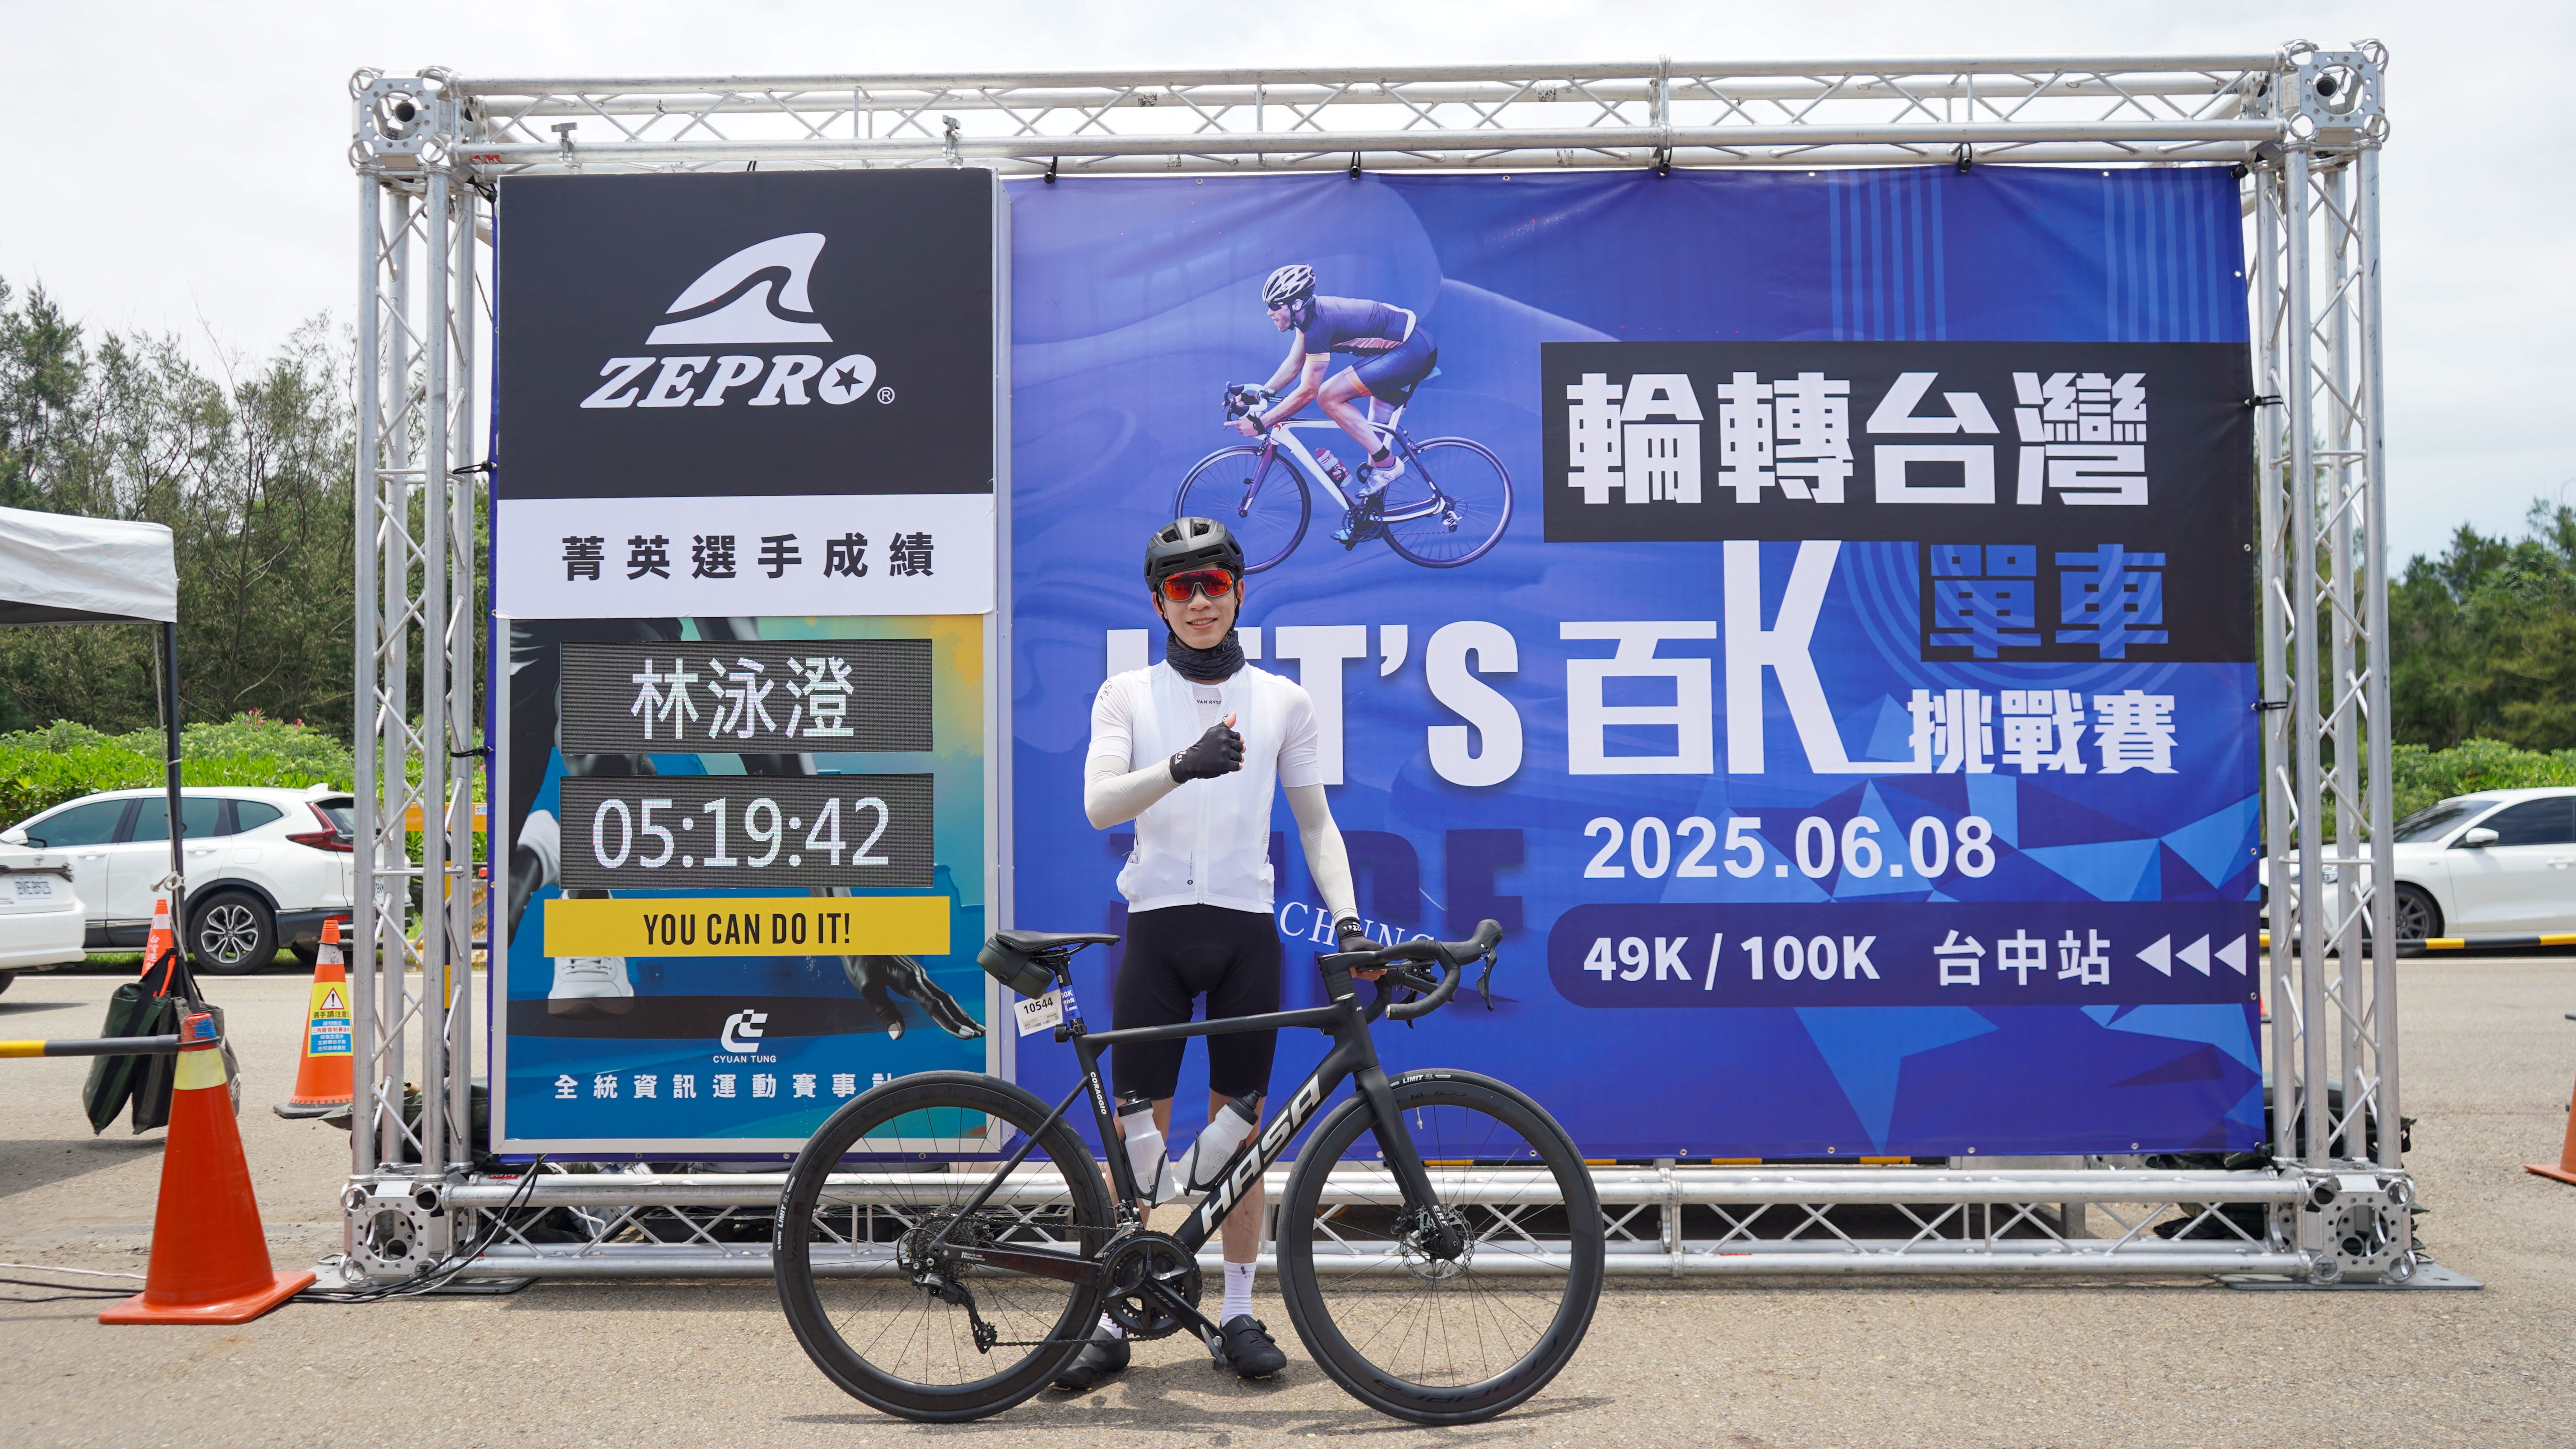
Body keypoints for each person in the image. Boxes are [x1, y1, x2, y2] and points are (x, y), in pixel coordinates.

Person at [1054, 516, 1370, 1391]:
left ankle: (1236, 1311)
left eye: (1215, 583)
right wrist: (1182, 765)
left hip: (1244, 934)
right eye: (1181, 587)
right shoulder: (1126, 694)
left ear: (1239, 591)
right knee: (1137, 1138)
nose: (1200, 601)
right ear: (1159, 602)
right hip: (1157, 929)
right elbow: (1099, 805)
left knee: (1242, 1136)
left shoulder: (1283, 700)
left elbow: (1317, 824)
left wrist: (1347, 919)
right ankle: (1113, 1317)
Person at [1233, 264, 1439, 547]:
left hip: (1410, 351)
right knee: (1373, 437)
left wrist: (1262, 422)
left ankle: (1389, 465)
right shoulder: (1309, 320)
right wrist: (1260, 395)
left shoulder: (1319, 326)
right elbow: (1294, 365)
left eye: (1274, 305)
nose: (1270, 312)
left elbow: (1307, 392)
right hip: (1408, 348)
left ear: (1295, 304)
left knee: (1328, 396)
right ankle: (1368, 519)